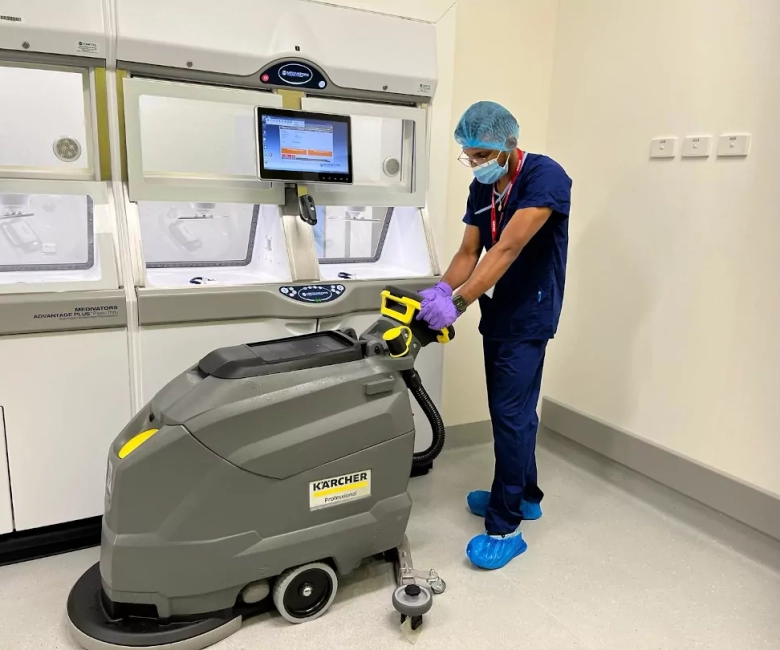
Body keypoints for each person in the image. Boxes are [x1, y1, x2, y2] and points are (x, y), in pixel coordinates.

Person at [418, 101, 571, 570]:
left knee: (509, 414)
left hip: (530, 313)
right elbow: (470, 250)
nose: (476, 163)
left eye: (483, 154)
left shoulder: (546, 177)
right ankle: (525, 494)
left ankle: (506, 525)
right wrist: (442, 289)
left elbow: (506, 248)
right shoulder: (482, 188)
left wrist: (459, 304)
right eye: (470, 155)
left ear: (508, 144)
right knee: (512, 410)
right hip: (499, 310)